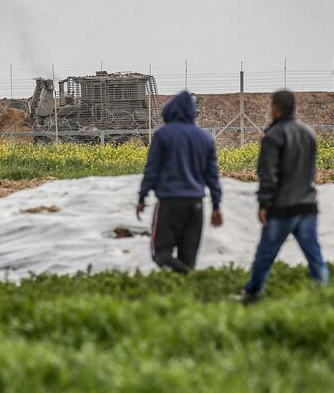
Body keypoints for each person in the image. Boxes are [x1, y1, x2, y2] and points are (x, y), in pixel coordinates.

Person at [240, 91, 328, 302]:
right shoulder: (308, 133)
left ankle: (253, 294)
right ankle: (325, 293)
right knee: (314, 255)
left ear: (277, 108)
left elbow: (268, 175)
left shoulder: (274, 136)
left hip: (281, 208)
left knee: (265, 254)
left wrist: (264, 204)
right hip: (307, 205)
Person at [137, 91, 223, 274]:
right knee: (188, 258)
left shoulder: (163, 135)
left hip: (169, 203)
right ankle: (186, 289)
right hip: (196, 206)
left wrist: (142, 196)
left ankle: (186, 277)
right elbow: (212, 176)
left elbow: (152, 169)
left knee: (160, 254)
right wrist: (216, 205)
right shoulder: (205, 138)